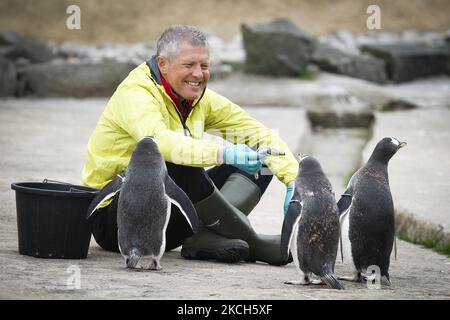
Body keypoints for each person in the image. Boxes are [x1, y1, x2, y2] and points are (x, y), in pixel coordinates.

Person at [82, 24, 298, 265]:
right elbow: (160, 142)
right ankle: (254, 242)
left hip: (170, 215)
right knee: (176, 164)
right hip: (120, 221)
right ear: (162, 64)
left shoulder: (197, 97)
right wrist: (222, 152)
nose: (198, 74)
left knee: (264, 157)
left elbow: (258, 133)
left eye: (204, 66)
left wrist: (293, 180)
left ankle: (203, 237)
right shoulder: (136, 93)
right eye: (189, 65)